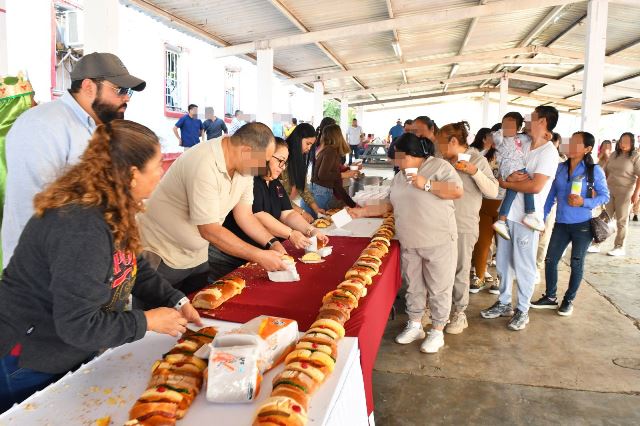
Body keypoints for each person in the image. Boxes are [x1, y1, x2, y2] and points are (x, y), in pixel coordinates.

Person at [0, 120, 201, 412]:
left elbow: (132, 265)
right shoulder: (81, 227)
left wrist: (175, 299)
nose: (162, 172)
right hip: (32, 358)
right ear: (132, 174)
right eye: (157, 165)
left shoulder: (112, 207)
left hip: (70, 349)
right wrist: (147, 321)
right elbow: (78, 325)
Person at [1, 52, 145, 269]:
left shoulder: (92, 126)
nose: (127, 98)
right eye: (120, 90)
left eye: (129, 92)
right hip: (44, 267)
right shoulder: (44, 124)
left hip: (78, 258)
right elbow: (35, 206)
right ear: (88, 87)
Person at [138, 122, 288, 291]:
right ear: (246, 151)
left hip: (197, 256)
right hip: (163, 253)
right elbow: (209, 230)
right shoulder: (204, 162)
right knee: (159, 305)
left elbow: (245, 215)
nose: (262, 168)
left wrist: (272, 243)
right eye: (263, 161)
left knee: (197, 304)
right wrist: (259, 255)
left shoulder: (244, 168)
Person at [349, 133, 463, 354]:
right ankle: (415, 324)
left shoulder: (438, 166)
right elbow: (389, 205)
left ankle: (437, 330)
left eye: (399, 158)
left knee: (439, 287)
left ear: (411, 155)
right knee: (413, 285)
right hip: (409, 239)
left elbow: (457, 191)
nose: (397, 163)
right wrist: (361, 212)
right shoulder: (400, 176)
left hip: (438, 239)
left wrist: (426, 184)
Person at [481, 105, 560, 331]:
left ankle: (522, 309)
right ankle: (504, 302)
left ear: (542, 121)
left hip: (527, 218)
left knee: (524, 265)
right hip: (508, 216)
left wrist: (507, 184)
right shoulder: (523, 142)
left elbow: (535, 186)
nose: (527, 121)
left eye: (532, 117)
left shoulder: (548, 152)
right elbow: (504, 168)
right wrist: (506, 179)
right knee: (503, 262)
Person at [209, 138, 330, 279]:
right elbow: (258, 215)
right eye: (280, 161)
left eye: (285, 163)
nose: (282, 167)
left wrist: (311, 230)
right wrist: (290, 234)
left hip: (258, 252)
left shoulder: (274, 183)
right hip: (230, 253)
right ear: (265, 156)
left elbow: (288, 213)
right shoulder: (250, 179)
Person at [530, 131, 609, 316]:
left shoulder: (593, 170)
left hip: (583, 225)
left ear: (587, 149)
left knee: (576, 263)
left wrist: (584, 202)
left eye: (576, 143)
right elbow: (551, 196)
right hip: (560, 223)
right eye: (570, 141)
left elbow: (605, 196)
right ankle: (550, 297)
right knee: (551, 259)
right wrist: (542, 218)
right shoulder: (560, 168)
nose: (570, 145)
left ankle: (568, 300)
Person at [437, 122, 499, 334]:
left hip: (463, 224)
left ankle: (459, 313)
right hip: (438, 224)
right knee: (438, 270)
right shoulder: (441, 161)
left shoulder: (477, 160)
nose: (439, 148)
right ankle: (438, 311)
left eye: (441, 143)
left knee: (460, 270)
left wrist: (474, 172)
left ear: (454, 141)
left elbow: (493, 191)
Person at [492, 112, 545, 240]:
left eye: (511, 126)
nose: (507, 128)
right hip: (511, 168)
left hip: (516, 167)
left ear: (518, 128)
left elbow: (532, 138)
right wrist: (501, 131)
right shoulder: (500, 137)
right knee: (529, 185)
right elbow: (496, 139)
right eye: (505, 124)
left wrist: (546, 135)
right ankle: (530, 213)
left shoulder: (520, 138)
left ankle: (501, 220)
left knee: (511, 193)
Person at [470, 129, 504, 294]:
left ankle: (500, 279)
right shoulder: (481, 156)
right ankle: (480, 276)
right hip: (484, 203)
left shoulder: (512, 157)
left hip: (504, 205)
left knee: (502, 245)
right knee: (482, 243)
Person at [602, 132, 640, 256]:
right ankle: (597, 242)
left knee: (621, 220)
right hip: (609, 189)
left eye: (627, 142)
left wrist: (636, 193)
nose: (624, 144)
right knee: (605, 217)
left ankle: (619, 246)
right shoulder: (614, 154)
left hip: (626, 191)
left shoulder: (635, 156)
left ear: (632, 143)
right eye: (622, 141)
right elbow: (605, 170)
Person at [280, 123, 326, 222]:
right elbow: (280, 196)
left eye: (311, 145)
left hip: (286, 209)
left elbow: (303, 187)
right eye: (308, 143)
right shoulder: (283, 157)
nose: (309, 148)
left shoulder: (299, 157)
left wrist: (316, 209)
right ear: (298, 139)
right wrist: (301, 212)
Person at [307, 124, 357, 214]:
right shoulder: (330, 151)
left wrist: (353, 205)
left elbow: (336, 183)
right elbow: (322, 175)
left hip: (320, 191)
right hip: (320, 192)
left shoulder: (328, 150)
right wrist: (344, 175)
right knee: (316, 219)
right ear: (338, 136)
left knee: (320, 219)